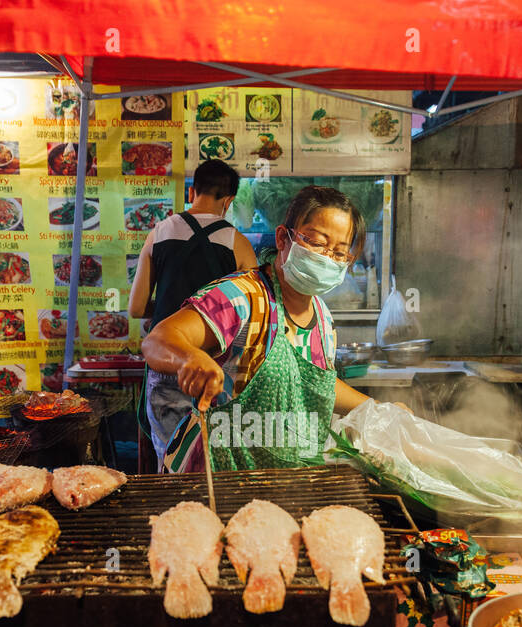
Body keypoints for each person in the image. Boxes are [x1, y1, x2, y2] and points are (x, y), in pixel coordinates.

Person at [142, 185, 379, 471]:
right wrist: (189, 358)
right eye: (317, 243)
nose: (327, 258)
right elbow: (158, 340)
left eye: (340, 253)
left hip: (290, 486)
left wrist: (375, 410)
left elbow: (318, 385)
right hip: (223, 482)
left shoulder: (322, 316)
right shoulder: (241, 297)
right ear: (283, 238)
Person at [128, 159, 257, 330]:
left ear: (191, 192)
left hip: (163, 348)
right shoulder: (239, 243)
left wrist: (170, 310)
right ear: (228, 201)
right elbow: (253, 309)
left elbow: (136, 309)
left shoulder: (158, 233)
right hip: (209, 353)